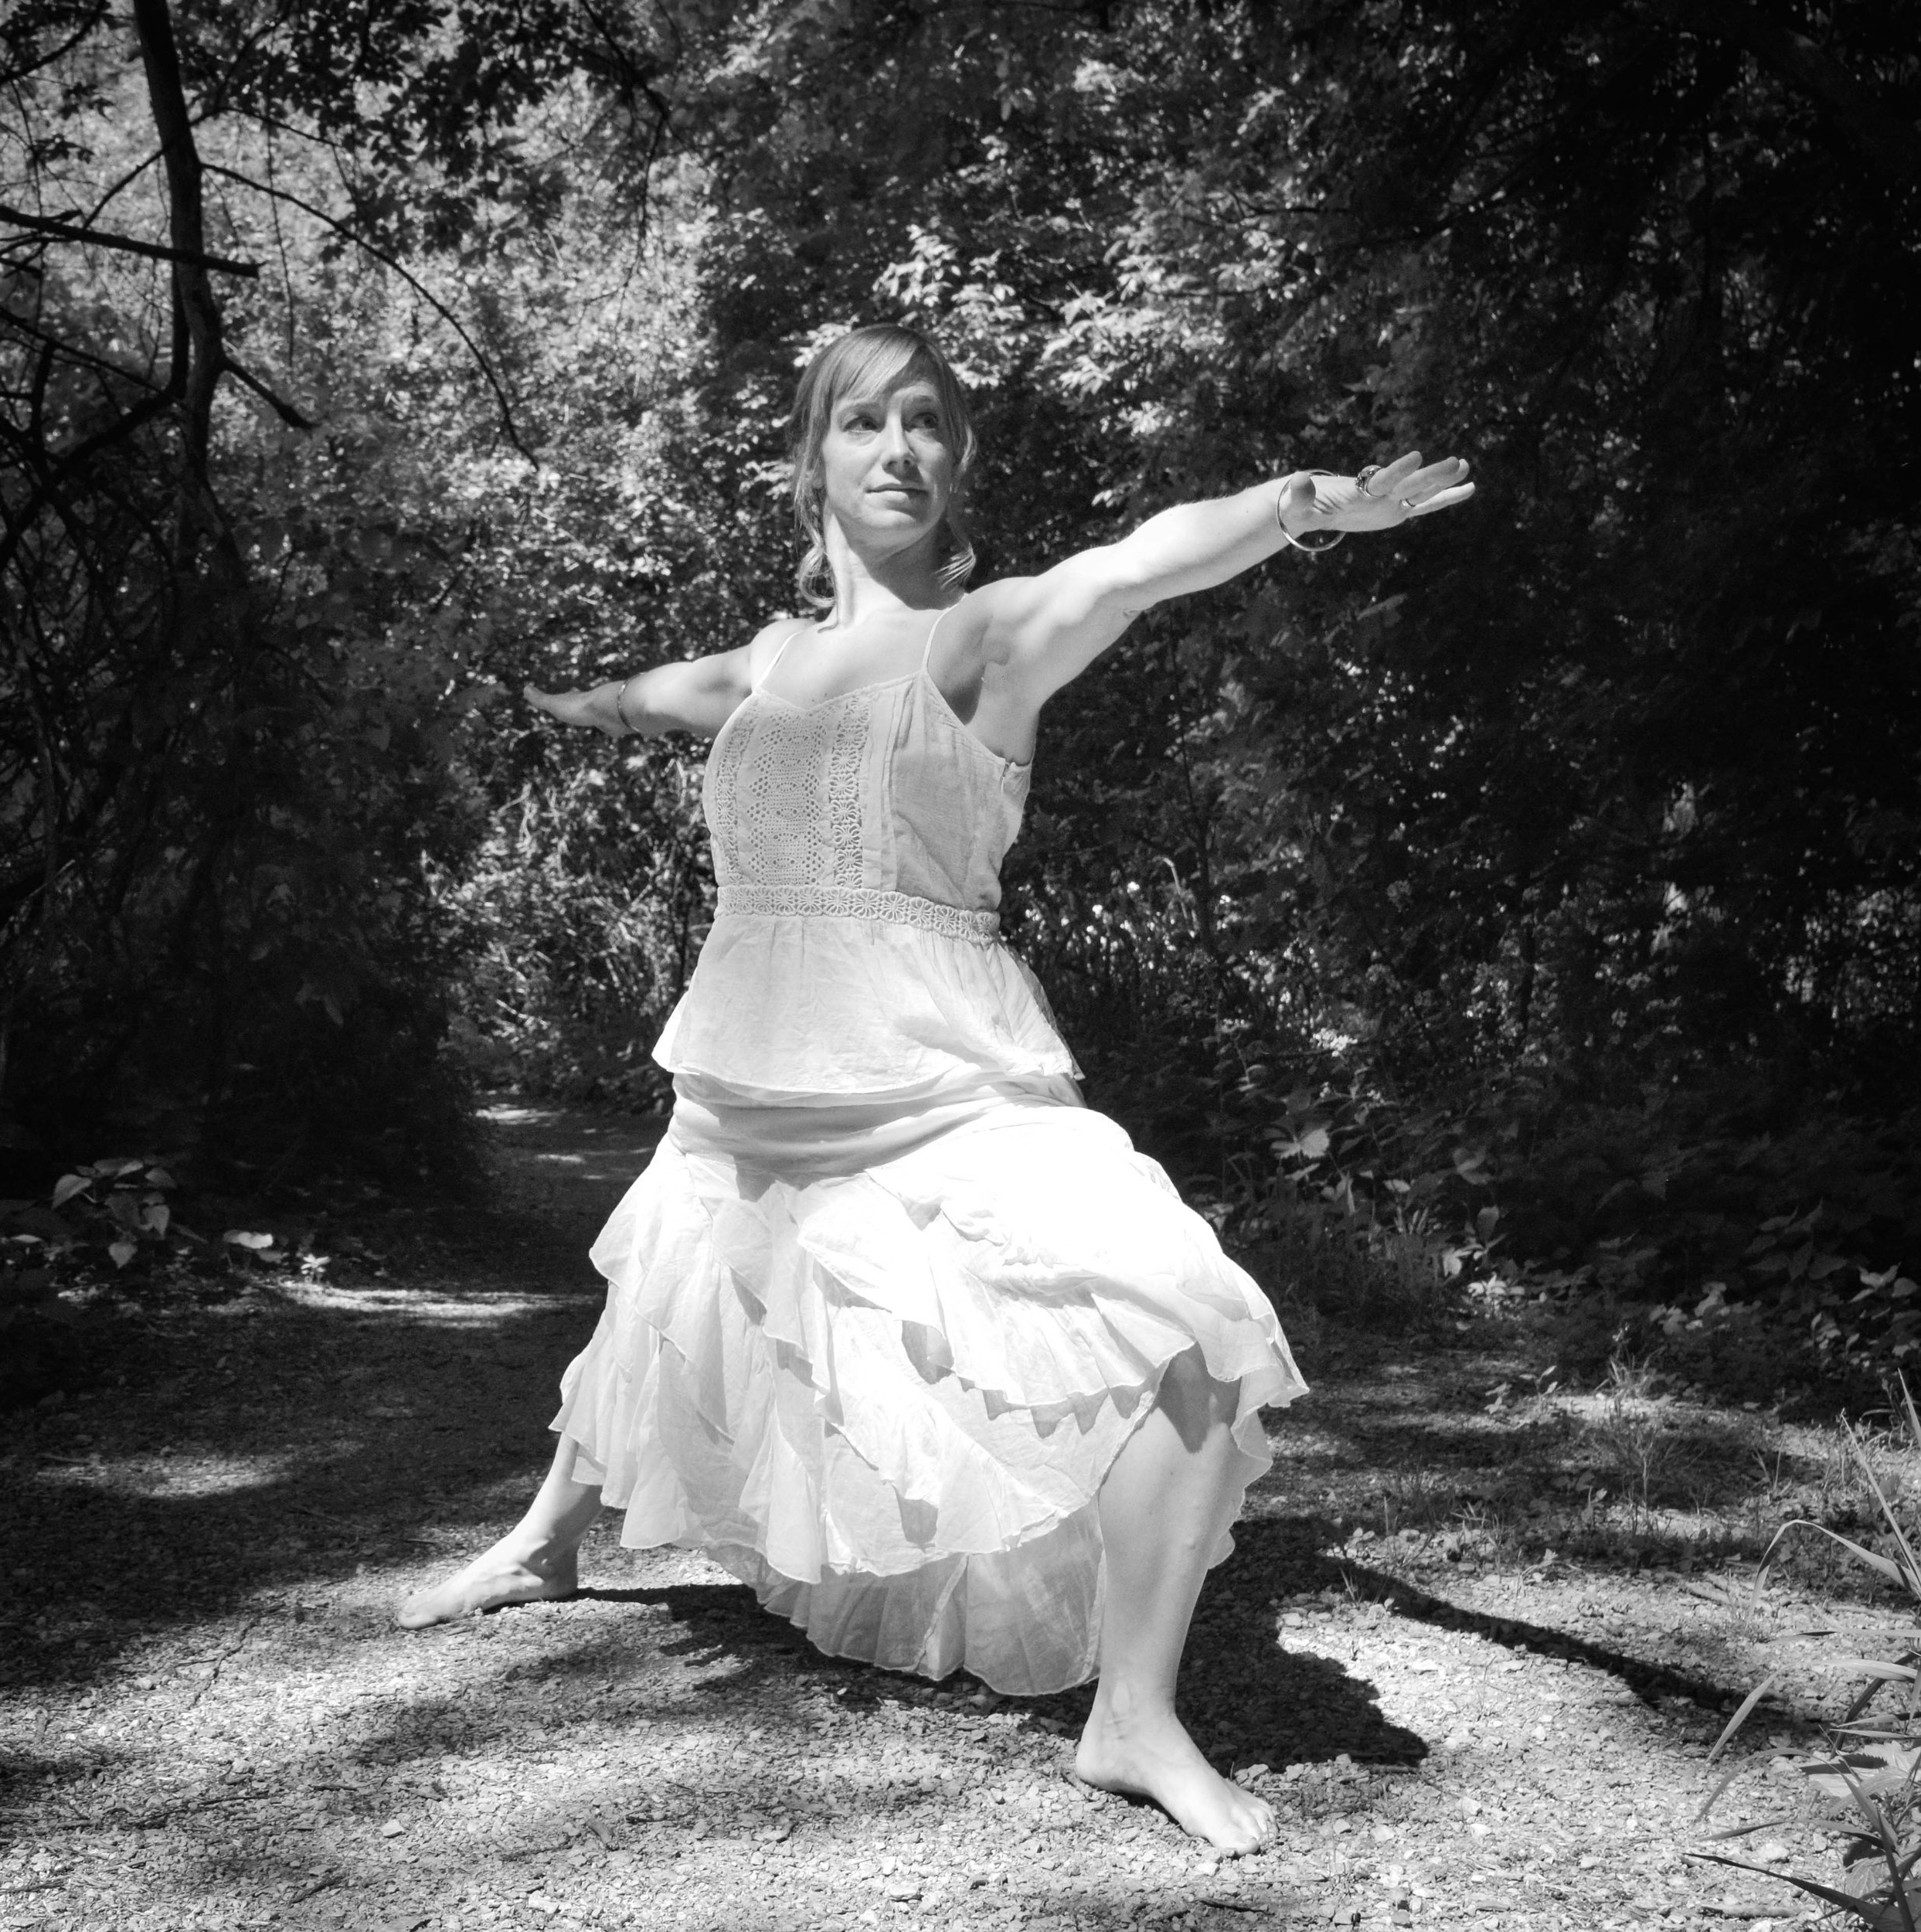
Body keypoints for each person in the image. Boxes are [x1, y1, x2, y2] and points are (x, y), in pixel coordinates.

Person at [397, 323, 1472, 1852]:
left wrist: (1307, 499)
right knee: (679, 1266)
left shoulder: (988, 637)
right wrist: (556, 696)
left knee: (1181, 1317)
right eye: (861, 422)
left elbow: (1139, 561)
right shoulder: (764, 666)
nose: (894, 446)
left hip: (938, 1064)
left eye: (924, 424)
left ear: (953, 464)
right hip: (754, 1052)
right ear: (811, 460)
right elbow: (656, 689)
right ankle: (547, 1538)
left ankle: (1133, 1716)